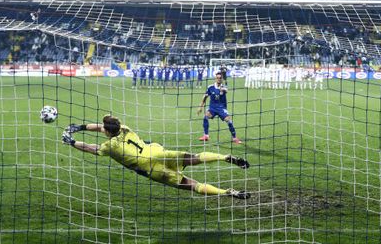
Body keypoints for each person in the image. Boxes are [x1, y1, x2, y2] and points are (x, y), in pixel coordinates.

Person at [62, 115, 250, 199]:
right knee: (195, 157)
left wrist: (72, 140)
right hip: (158, 152)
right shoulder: (125, 128)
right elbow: (102, 126)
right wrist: (81, 127)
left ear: (107, 132)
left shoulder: (109, 146)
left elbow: (90, 148)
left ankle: (226, 192)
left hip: (152, 169)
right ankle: (224, 156)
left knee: (192, 185)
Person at [197, 71, 241, 143]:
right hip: (212, 108)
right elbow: (204, 97)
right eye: (217, 78)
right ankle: (206, 136)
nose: (219, 79)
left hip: (221, 108)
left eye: (220, 78)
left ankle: (234, 138)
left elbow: (226, 90)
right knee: (205, 117)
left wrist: (222, 89)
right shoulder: (210, 87)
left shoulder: (224, 87)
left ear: (222, 79)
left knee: (229, 121)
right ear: (215, 78)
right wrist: (200, 107)